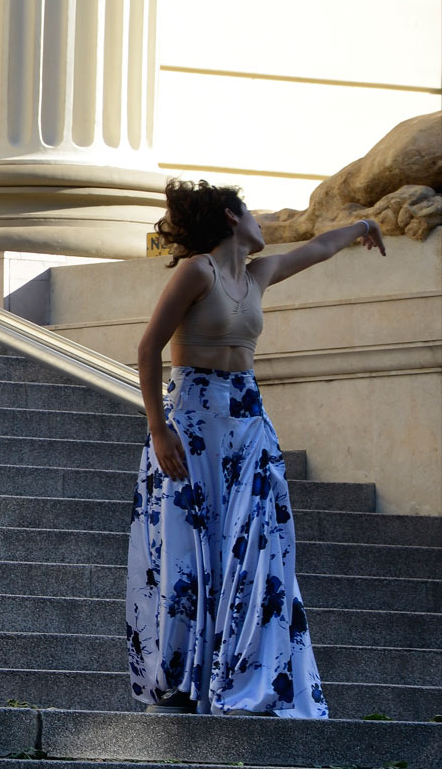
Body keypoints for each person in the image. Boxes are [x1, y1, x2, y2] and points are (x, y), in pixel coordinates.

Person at [127, 179, 386, 718]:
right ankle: (180, 684)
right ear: (230, 217)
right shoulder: (196, 270)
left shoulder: (257, 274)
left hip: (247, 425)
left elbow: (315, 250)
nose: (261, 222)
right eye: (252, 212)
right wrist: (158, 428)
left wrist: (363, 226)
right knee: (190, 553)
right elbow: (148, 347)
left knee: (259, 548)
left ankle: (247, 677)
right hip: (194, 425)